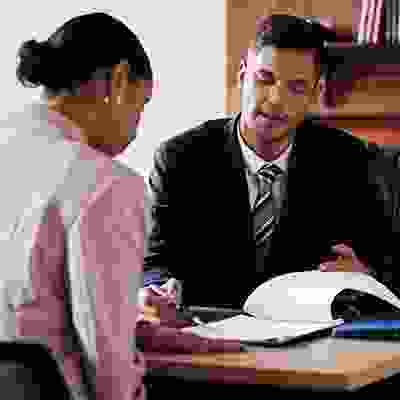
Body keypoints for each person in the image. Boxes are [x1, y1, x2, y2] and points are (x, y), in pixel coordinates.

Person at [140, 13, 399, 313]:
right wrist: (157, 288)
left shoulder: (351, 161)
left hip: (311, 333)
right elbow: (153, 263)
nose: (276, 99)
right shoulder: (179, 159)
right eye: (264, 80)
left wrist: (366, 276)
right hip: (206, 329)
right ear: (242, 76)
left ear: (314, 94)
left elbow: (385, 262)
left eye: (296, 88)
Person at [0, 11, 150, 400]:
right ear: (118, 80)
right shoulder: (107, 185)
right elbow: (110, 370)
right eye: (142, 105)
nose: (137, 130)